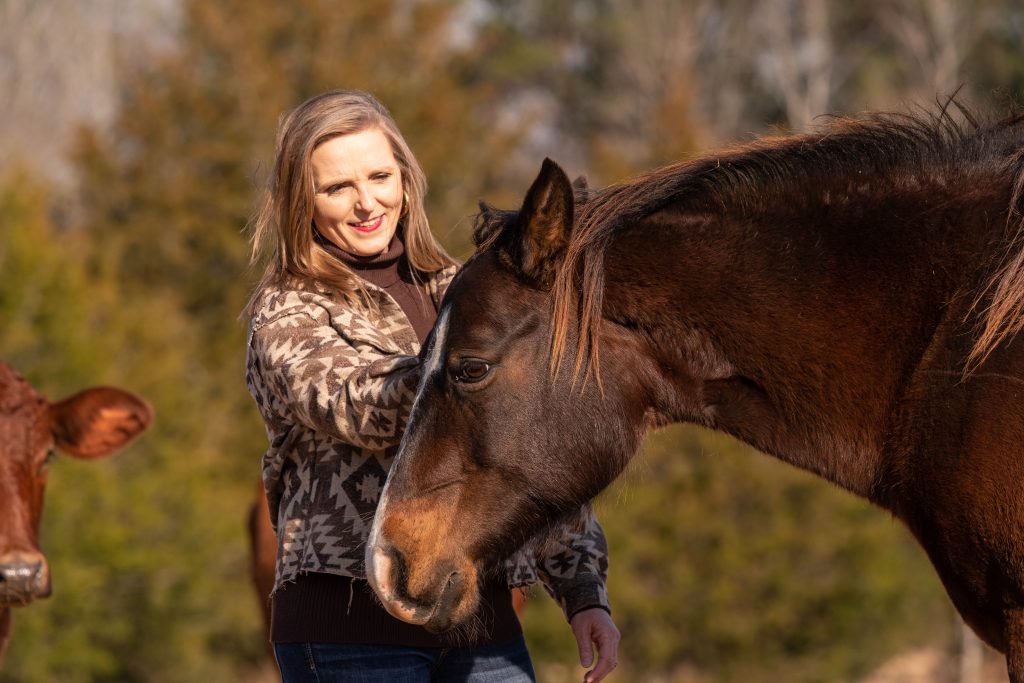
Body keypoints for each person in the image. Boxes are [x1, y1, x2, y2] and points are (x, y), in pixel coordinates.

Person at [244, 89, 620, 683]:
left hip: (484, 627)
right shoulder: (288, 311)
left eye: (379, 176)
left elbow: (532, 444)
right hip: (348, 634)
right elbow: (352, 403)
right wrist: (475, 370)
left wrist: (583, 591)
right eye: (337, 187)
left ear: (405, 179)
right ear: (302, 203)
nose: (366, 202)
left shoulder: (468, 293)